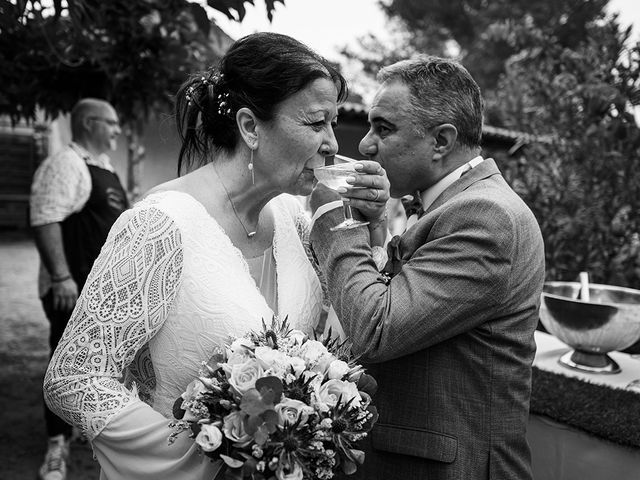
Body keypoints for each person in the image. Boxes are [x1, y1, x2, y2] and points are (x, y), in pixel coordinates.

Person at [43, 32, 375, 479]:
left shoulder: (295, 218)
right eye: (317, 124)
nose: (334, 144)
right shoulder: (159, 226)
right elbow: (74, 378)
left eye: (333, 124)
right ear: (250, 127)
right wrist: (204, 451)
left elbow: (352, 335)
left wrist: (372, 227)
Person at [309, 55, 545, 479]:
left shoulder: (486, 217)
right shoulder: (456, 204)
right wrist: (376, 229)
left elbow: (376, 329)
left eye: (384, 128)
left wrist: (337, 226)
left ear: (441, 141)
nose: (364, 145)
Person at [30, 98, 128, 480]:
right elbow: (44, 218)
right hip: (70, 290)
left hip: (99, 293)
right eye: (112, 123)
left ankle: (84, 434)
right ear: (89, 123)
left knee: (96, 369)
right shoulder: (65, 164)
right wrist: (60, 277)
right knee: (64, 367)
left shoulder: (101, 167)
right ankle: (56, 447)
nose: (117, 130)